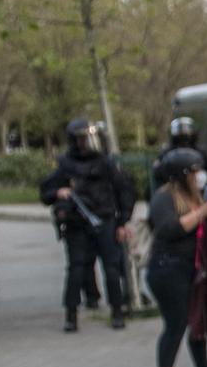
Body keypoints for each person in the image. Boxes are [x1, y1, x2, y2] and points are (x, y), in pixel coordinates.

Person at [144, 148, 207, 367]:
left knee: (197, 320)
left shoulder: (193, 195)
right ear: (181, 174)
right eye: (194, 171)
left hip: (189, 269)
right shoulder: (164, 199)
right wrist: (202, 212)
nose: (199, 175)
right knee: (176, 323)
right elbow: (169, 228)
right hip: (167, 270)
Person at [39, 117, 137, 332]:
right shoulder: (66, 164)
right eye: (82, 139)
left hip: (105, 220)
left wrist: (122, 222)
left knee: (111, 268)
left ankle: (117, 311)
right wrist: (58, 192)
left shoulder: (106, 163)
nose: (86, 143)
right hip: (77, 224)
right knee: (76, 269)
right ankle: (71, 315)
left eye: (89, 138)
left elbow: (124, 191)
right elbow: (45, 191)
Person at [154, 116, 207, 186]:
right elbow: (158, 172)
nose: (184, 141)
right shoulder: (166, 153)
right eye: (181, 137)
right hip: (173, 188)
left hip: (197, 189)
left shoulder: (200, 152)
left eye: (186, 136)